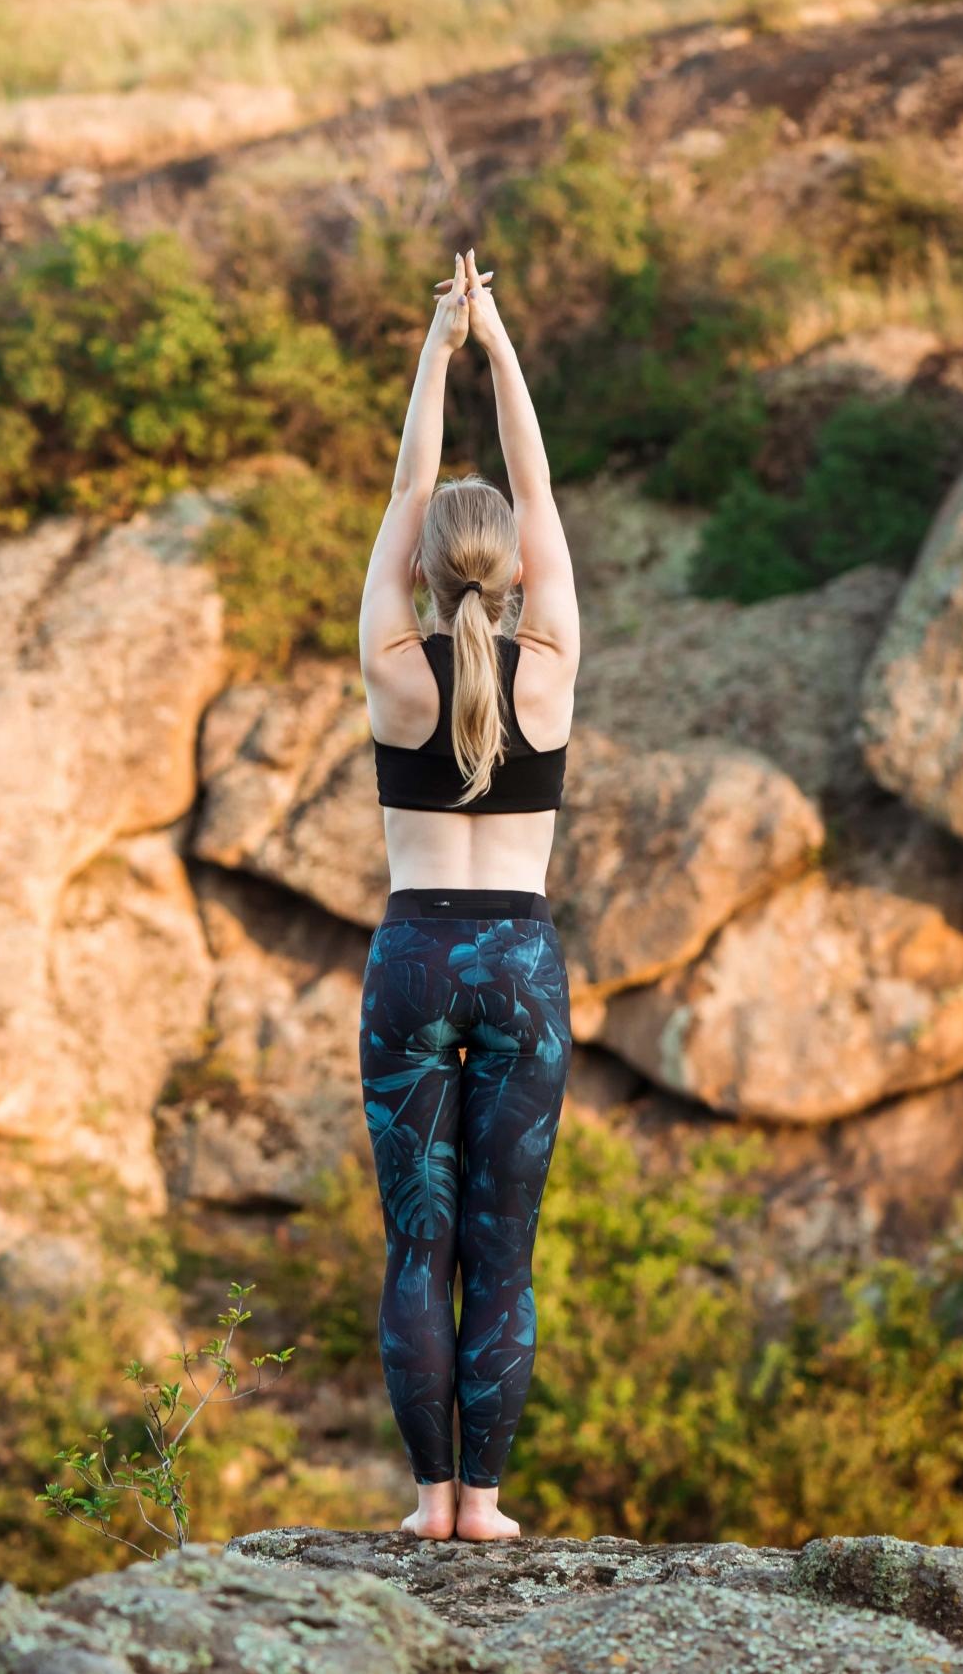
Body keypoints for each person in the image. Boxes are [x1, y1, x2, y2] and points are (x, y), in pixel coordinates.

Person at [356, 248, 580, 1541]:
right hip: (522, 969)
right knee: (502, 1247)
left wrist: (437, 350)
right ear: (508, 578)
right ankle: (484, 1504)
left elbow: (408, 487)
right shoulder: (547, 661)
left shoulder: (396, 663)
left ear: (434, 579)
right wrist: (499, 342)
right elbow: (535, 485)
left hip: (414, 961)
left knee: (417, 1246)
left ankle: (425, 1495)